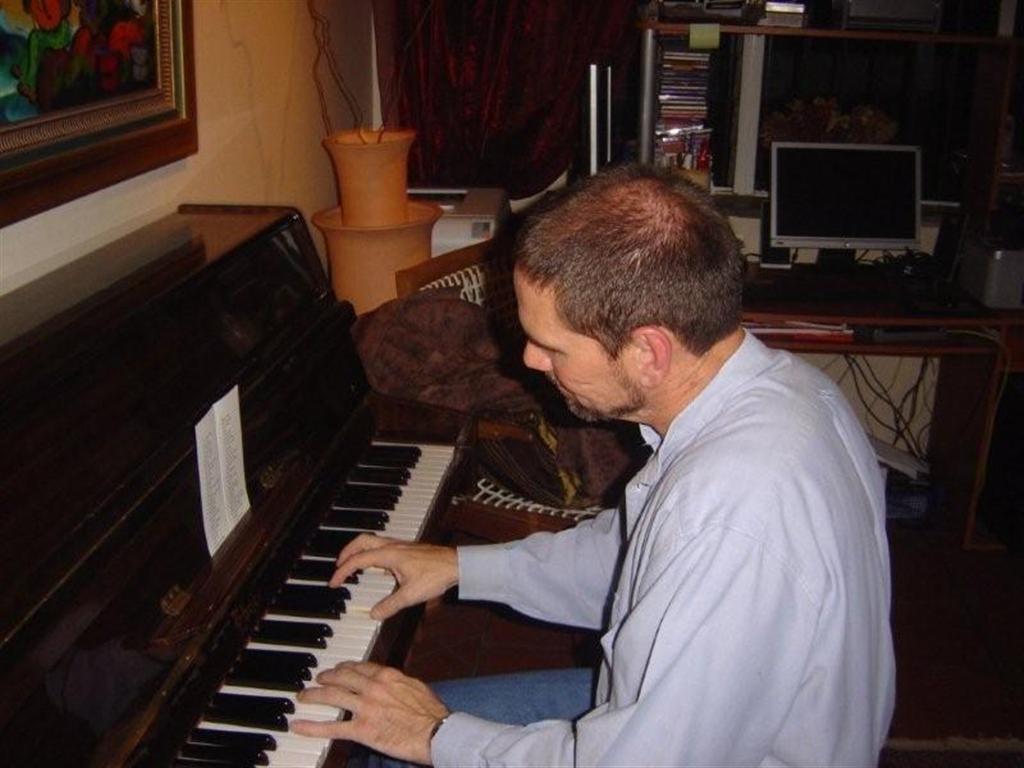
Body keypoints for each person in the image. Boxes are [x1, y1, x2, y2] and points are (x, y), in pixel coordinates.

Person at [291, 164, 896, 766]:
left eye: (552, 346)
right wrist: (460, 566)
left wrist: (433, 736)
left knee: (386, 748)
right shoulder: (784, 388)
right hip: (689, 719)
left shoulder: (732, 508)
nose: (529, 360)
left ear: (648, 351)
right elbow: (631, 556)